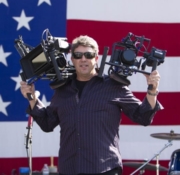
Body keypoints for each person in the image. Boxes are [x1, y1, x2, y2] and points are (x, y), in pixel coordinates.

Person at [20, 35, 163, 175]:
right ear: (72, 59)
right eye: (78, 55)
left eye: (88, 55)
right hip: (69, 168)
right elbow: (47, 123)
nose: (83, 59)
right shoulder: (62, 90)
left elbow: (143, 116)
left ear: (96, 58)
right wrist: (31, 97)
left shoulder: (114, 86)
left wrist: (152, 90)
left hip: (104, 168)